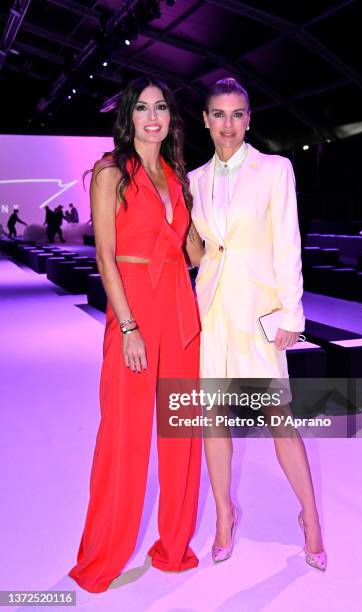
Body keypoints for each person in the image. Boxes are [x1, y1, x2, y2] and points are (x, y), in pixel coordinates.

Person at [68, 77, 204, 593]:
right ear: (128, 117)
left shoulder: (175, 174)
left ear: (171, 117)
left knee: (181, 436)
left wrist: (189, 220)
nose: (153, 116)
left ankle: (174, 547)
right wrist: (127, 326)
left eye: (162, 107)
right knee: (124, 439)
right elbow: (105, 256)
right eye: (142, 107)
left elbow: (191, 256)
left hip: (180, 308)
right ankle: (102, 555)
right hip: (135, 309)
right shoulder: (110, 173)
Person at [189, 77, 327, 571]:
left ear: (250, 118)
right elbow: (202, 250)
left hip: (258, 312)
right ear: (205, 119)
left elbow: (288, 243)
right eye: (219, 115)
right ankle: (225, 515)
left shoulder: (276, 169)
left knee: (279, 419)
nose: (228, 125)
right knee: (213, 420)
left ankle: (310, 516)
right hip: (211, 313)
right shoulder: (195, 180)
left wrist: (292, 312)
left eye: (237, 114)